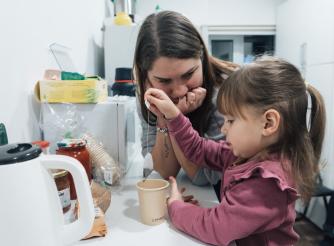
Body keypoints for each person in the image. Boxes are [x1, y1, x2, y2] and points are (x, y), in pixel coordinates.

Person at [144, 56, 326, 245]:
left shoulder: (268, 183)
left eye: (231, 120)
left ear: (268, 123)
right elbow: (199, 149)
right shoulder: (247, 153)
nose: (223, 129)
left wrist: (176, 207)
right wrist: (174, 115)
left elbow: (216, 227)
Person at [134, 10, 238, 192]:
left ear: (202, 58)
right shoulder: (149, 94)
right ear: (146, 77)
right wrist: (167, 118)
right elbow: (163, 172)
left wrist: (175, 117)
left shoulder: (226, 91)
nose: (180, 90)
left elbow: (203, 176)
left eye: (188, 74)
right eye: (164, 81)